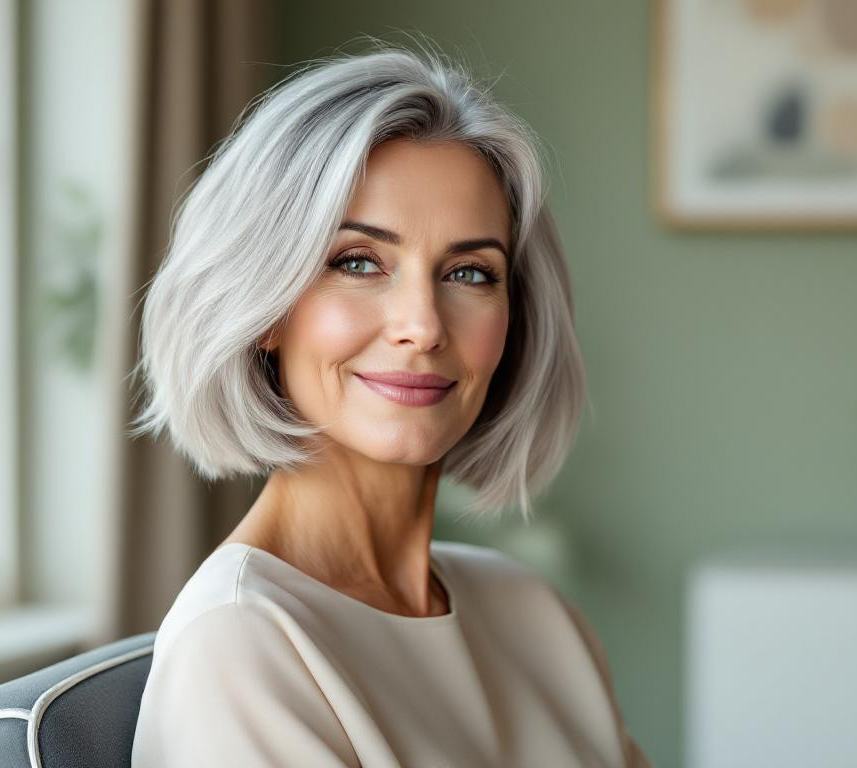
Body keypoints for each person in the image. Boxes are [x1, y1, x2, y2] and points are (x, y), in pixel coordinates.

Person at [127, 42, 652, 767]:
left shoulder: (533, 612)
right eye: (358, 262)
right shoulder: (242, 640)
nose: (425, 325)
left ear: (515, 319)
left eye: (470, 272)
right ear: (265, 308)